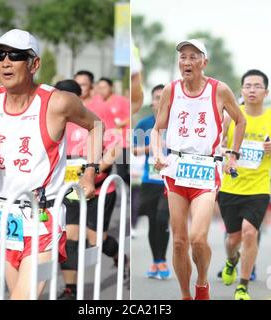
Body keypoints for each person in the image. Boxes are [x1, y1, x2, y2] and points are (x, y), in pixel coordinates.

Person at [0, 29, 103, 300]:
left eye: (15, 55)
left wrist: (90, 173)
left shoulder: (57, 102)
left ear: (34, 64)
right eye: (0, 55)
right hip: (2, 215)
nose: (5, 62)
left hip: (42, 216)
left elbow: (96, 125)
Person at [150, 39, 246, 300]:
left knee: (197, 238)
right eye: (182, 57)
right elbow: (157, 129)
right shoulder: (171, 90)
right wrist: (158, 153)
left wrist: (233, 155)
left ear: (205, 62)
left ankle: (202, 282)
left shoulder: (219, 90)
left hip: (205, 169)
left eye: (193, 57)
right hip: (176, 169)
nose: (186, 62)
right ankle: (185, 294)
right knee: (180, 241)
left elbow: (240, 120)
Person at [218, 69, 271, 300]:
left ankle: (242, 286)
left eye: (257, 86)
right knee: (233, 239)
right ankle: (231, 260)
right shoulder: (230, 117)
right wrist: (227, 157)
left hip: (258, 189)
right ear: (241, 90)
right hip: (230, 187)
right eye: (248, 86)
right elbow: (219, 146)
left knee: (250, 233)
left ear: (266, 92)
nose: (252, 90)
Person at [56, 77, 124, 300]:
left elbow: (115, 148)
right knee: (71, 237)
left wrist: (92, 173)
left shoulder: (97, 111)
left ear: (79, 97)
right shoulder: (53, 119)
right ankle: (70, 289)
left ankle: (120, 257)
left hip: (99, 188)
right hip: (70, 190)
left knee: (95, 240)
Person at [133, 84, 171, 280]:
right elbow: (133, 150)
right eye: (157, 97)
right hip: (150, 180)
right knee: (152, 221)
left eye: (165, 97)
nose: (161, 100)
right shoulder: (144, 124)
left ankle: (162, 260)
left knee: (163, 219)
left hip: (170, 181)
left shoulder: (177, 124)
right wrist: (154, 147)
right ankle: (157, 261)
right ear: (152, 102)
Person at [96, 77, 130, 186]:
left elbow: (130, 116)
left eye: (104, 87)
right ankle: (106, 195)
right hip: (105, 144)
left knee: (122, 174)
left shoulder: (121, 101)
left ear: (111, 87)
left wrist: (121, 124)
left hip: (121, 144)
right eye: (99, 87)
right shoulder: (97, 101)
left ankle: (129, 194)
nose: (102, 90)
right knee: (102, 172)